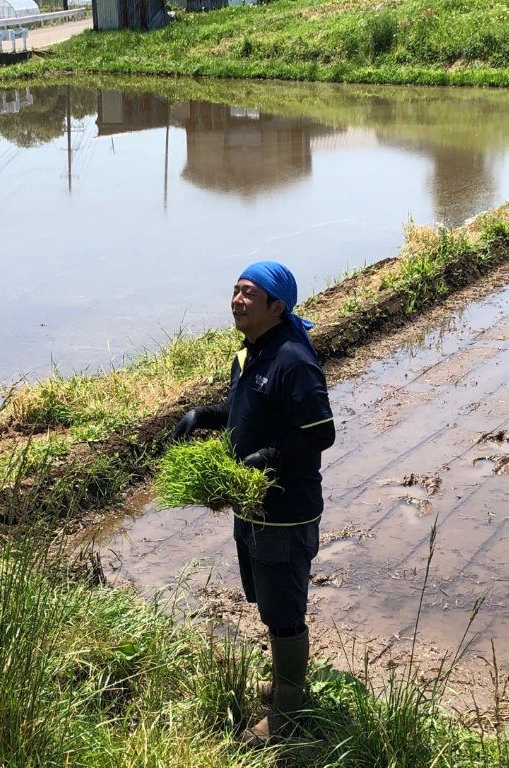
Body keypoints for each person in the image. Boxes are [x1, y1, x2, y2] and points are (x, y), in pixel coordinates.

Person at [172, 261, 335, 746]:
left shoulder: (293, 360)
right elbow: (248, 413)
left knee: (284, 607)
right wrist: (206, 415)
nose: (237, 300)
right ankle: (286, 680)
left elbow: (320, 432)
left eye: (249, 293)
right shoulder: (251, 354)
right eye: (235, 290)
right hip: (252, 500)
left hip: (285, 507)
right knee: (265, 598)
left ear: (276, 306)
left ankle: (289, 704)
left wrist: (270, 456)